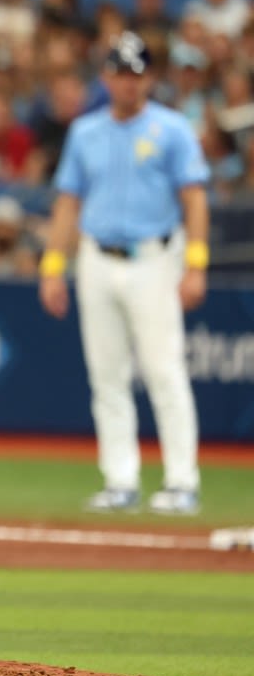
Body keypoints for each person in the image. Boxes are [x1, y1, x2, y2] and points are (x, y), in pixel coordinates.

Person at [39, 32, 209, 516]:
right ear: (105, 77)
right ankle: (121, 479)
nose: (127, 83)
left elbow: (194, 198)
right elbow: (68, 202)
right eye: (118, 73)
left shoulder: (172, 129)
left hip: (154, 258)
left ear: (149, 78)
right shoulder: (86, 131)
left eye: (135, 74)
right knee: (106, 375)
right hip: (95, 257)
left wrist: (196, 263)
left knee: (164, 370)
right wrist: (54, 266)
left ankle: (181, 481)